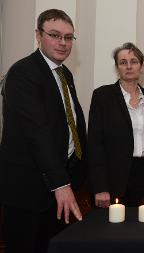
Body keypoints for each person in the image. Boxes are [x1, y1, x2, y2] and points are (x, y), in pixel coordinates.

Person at [0, 9, 86, 253]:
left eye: (68, 37)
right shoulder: (23, 73)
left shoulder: (64, 73)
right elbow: (37, 133)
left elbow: (71, 124)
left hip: (58, 186)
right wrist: (61, 185)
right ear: (38, 35)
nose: (62, 43)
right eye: (55, 35)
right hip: (28, 191)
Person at [88, 42, 144, 207]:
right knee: (113, 231)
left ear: (141, 66)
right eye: (123, 62)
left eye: (133, 61)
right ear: (117, 68)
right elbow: (95, 144)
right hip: (114, 178)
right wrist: (100, 187)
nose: (129, 66)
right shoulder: (102, 96)